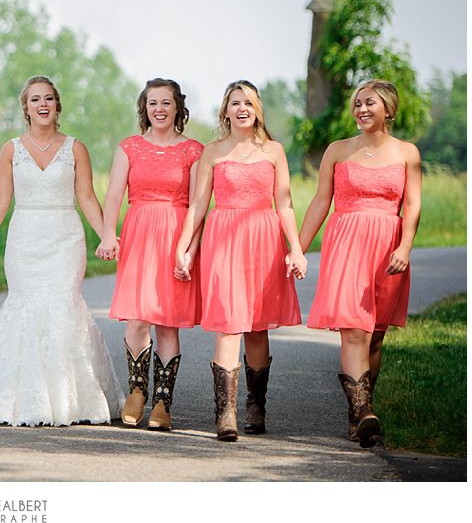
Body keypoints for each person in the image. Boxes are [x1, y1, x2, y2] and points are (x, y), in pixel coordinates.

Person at [0, 75, 123, 426]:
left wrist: (107, 236)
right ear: (26, 108)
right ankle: (20, 399)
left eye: (48, 98)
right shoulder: (11, 149)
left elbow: (87, 197)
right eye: (35, 99)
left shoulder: (75, 148)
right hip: (25, 239)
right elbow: (0, 199)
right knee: (25, 306)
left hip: (65, 238)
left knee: (63, 305)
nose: (42, 104)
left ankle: (67, 401)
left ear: (57, 105)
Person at [175, 80, 305, 442]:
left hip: (264, 239)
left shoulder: (274, 151)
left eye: (248, 102)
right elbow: (198, 205)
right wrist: (183, 247)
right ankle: (226, 413)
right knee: (228, 323)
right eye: (235, 103)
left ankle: (255, 405)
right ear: (226, 111)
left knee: (257, 328)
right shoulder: (213, 152)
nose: (242, 108)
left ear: (258, 109)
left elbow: (284, 204)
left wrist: (295, 248)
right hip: (224, 240)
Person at [298, 80, 421, 448]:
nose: (361, 109)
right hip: (346, 244)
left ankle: (361, 415)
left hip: (388, 248)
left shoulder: (407, 153)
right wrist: (297, 249)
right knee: (354, 330)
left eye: (370, 103)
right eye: (357, 103)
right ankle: (363, 411)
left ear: (389, 109)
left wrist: (405, 247)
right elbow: (321, 202)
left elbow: (412, 204)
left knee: (375, 335)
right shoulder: (338, 150)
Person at [97, 78, 203, 431]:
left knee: (168, 322)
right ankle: (137, 391)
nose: (159, 109)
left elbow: (198, 206)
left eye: (166, 102)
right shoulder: (129, 148)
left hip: (176, 235)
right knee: (138, 319)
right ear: (144, 107)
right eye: (152, 102)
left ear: (178, 107)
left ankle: (162, 402)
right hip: (139, 234)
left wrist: (188, 249)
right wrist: (108, 234)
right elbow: (114, 196)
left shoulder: (193, 151)